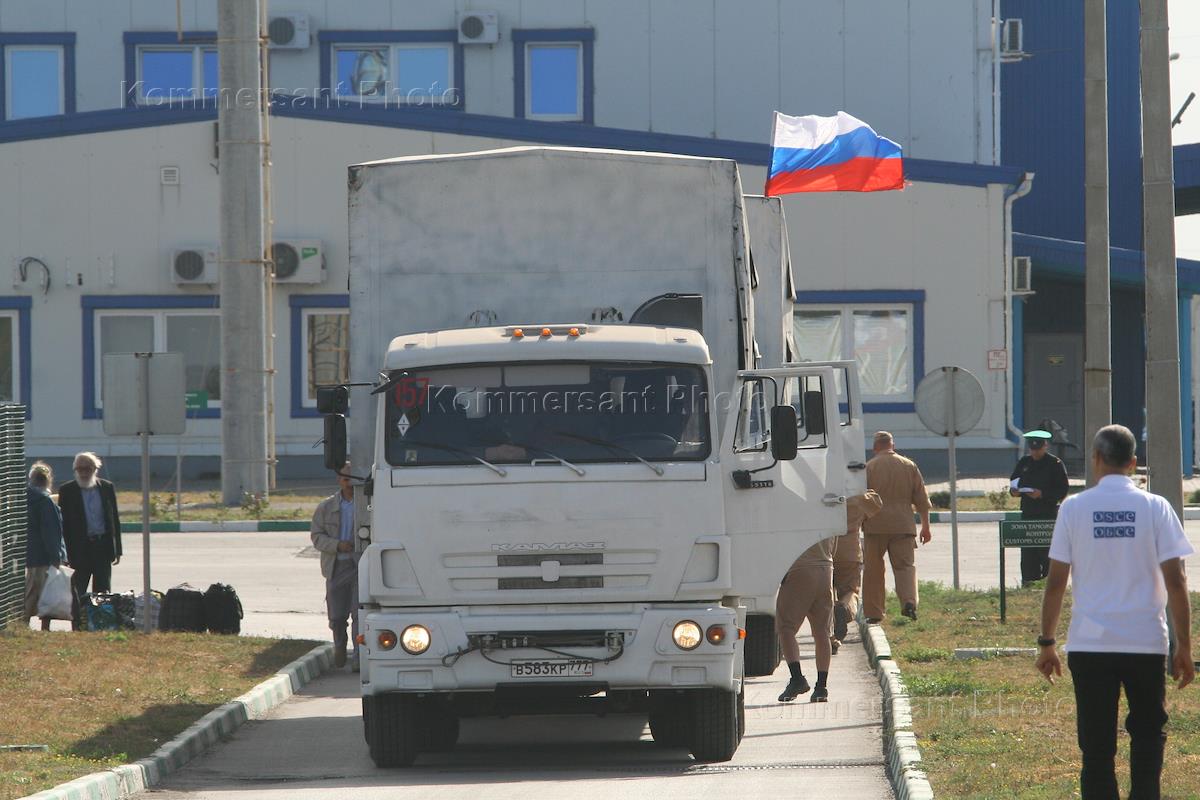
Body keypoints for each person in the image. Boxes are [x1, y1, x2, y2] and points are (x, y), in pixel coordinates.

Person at [1037, 424, 1194, 799]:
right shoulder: (1155, 508)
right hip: (1145, 643)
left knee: (1096, 747)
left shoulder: (1074, 508)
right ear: (1134, 463)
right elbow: (1176, 581)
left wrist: (1047, 643)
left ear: (1095, 459)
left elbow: (1056, 582)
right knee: (1148, 737)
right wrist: (1185, 647)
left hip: (1090, 645)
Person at [861, 431, 932, 622]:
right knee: (905, 567)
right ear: (893, 445)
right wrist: (926, 527)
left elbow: (861, 498)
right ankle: (909, 602)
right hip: (903, 525)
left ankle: (874, 613)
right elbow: (921, 499)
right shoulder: (909, 465)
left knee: (873, 571)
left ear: (875, 447)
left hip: (875, 525)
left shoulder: (869, 467)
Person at [58, 451, 122, 631]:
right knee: (77, 590)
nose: (83, 472)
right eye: (79, 469)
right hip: (78, 550)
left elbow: (114, 520)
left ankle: (101, 625)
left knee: (102, 590)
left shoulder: (106, 487)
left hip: (102, 547)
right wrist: (64, 552)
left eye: (87, 468)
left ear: (95, 469)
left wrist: (117, 549)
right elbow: (62, 524)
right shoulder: (67, 490)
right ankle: (78, 625)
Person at [775, 534, 836, 703]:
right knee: (822, 632)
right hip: (826, 568)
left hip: (799, 568)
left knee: (786, 628)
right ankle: (821, 687)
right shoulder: (828, 516)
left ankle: (797, 678)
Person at [311, 463, 360, 668]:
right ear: (339, 480)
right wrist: (337, 545)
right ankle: (340, 647)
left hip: (359, 567)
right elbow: (317, 537)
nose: (349, 482)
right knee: (337, 616)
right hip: (336, 566)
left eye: (353, 478)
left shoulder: (368, 505)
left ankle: (359, 658)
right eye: (345, 478)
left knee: (359, 614)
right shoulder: (326, 507)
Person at [1009, 428, 1070, 585]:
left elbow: (1062, 490)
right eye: (1032, 448)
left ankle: (1048, 584)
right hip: (1028, 514)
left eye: (1038, 448)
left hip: (1047, 515)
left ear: (1045, 446)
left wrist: (1042, 494)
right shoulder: (1024, 462)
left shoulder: (1055, 464)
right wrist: (1015, 491)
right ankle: (1028, 583)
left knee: (1048, 552)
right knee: (1028, 554)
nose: (1035, 452)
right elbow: (1014, 481)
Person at [830, 490, 883, 653]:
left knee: (825, 593)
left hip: (825, 548)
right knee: (850, 591)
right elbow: (877, 503)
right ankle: (844, 607)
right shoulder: (856, 497)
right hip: (849, 551)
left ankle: (831, 638)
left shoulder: (821, 494)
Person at [24, 462, 66, 631]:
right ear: (48, 481)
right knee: (45, 595)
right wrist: (57, 557)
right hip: (44, 557)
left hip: (29, 555)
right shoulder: (45, 502)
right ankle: (43, 627)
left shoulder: (23, 501)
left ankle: (24, 623)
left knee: (31, 591)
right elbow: (51, 532)